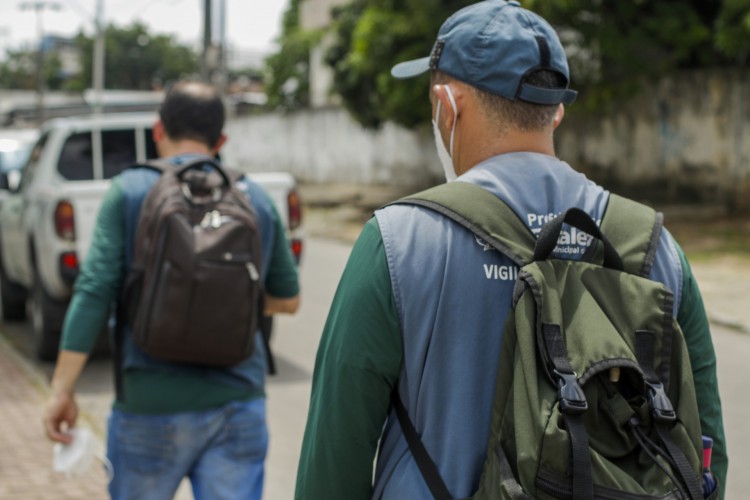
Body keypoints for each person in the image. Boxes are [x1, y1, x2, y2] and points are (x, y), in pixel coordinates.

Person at [294, 1, 727, 498]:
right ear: (557, 110)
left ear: (447, 105)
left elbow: (335, 456)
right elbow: (704, 445)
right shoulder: (655, 247)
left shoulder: (397, 242)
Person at [44, 81, 301, 500]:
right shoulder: (254, 197)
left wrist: (62, 390)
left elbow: (94, 290)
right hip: (237, 404)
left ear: (157, 130)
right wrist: (224, 300)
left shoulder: (129, 190)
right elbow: (288, 300)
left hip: (148, 405)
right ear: (220, 141)